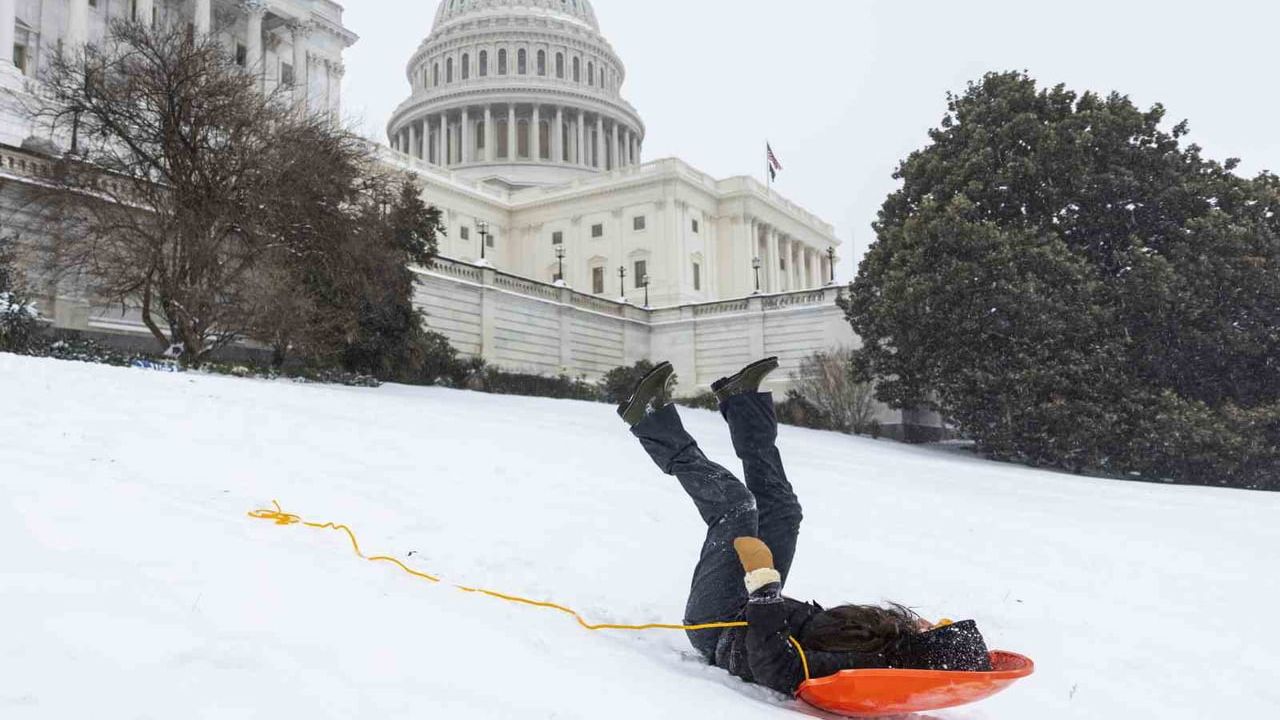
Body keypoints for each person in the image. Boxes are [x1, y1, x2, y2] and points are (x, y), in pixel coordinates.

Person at [617, 357, 992, 696]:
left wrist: (765, 589)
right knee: (783, 511)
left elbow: (776, 666)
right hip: (752, 607)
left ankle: (649, 417)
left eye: (937, 631)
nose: (930, 624)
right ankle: (741, 399)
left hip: (718, 625)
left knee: (735, 506)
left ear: (930, 653)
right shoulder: (893, 640)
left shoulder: (871, 668)